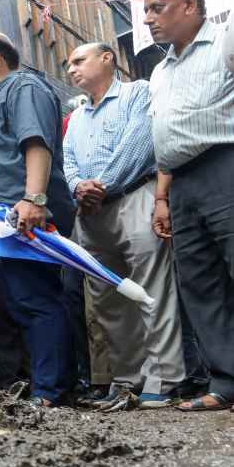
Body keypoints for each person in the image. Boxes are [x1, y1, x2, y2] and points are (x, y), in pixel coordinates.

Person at [0, 32, 76, 407]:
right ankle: (43, 386)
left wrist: (33, 198)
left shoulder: (22, 87)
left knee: (36, 301)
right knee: (18, 305)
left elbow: (35, 142)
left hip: (20, 219)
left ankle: (51, 393)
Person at [64, 42, 184, 409]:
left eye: (79, 61)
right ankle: (128, 380)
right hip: (90, 213)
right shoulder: (79, 115)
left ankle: (163, 380)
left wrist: (99, 186)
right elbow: (67, 160)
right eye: (68, 64)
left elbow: (138, 145)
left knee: (151, 291)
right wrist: (77, 187)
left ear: (107, 58)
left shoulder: (137, 92)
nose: (71, 69)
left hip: (134, 199)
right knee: (108, 299)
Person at [144, 0, 234, 412]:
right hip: (181, 183)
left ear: (190, 4)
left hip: (225, 166)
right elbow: (167, 139)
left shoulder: (224, 42)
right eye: (145, 11)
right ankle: (227, 382)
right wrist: (161, 198)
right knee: (200, 284)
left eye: (157, 8)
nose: (148, 19)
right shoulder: (160, 71)